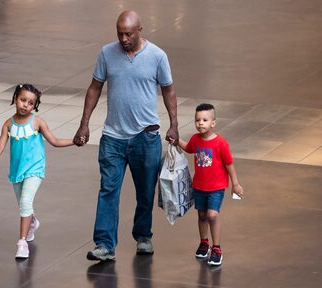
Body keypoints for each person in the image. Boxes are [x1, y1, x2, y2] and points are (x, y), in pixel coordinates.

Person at [73, 10, 179, 261]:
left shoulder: (157, 56)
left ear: (140, 31)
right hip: (113, 137)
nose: (123, 39)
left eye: (128, 34)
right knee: (108, 190)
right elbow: (94, 88)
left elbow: (169, 91)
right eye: (119, 33)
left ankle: (143, 236)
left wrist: (174, 125)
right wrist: (84, 124)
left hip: (146, 137)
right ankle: (105, 245)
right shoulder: (106, 53)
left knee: (145, 191)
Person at [0, 84, 82, 259]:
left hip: (34, 169)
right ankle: (32, 222)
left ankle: (22, 243)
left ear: (34, 106)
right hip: (16, 171)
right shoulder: (8, 124)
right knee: (22, 204)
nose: (25, 105)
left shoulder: (37, 122)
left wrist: (75, 141)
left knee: (26, 201)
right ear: (15, 98)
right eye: (22, 100)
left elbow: (55, 141)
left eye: (30, 103)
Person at [177, 103, 244, 266]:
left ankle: (217, 248)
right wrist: (176, 139)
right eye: (197, 120)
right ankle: (204, 243)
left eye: (205, 120)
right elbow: (189, 148)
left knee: (212, 215)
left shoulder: (221, 143)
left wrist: (235, 184)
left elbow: (229, 164)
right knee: (201, 215)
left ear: (213, 123)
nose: (200, 123)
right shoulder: (195, 139)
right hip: (199, 186)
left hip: (216, 187)